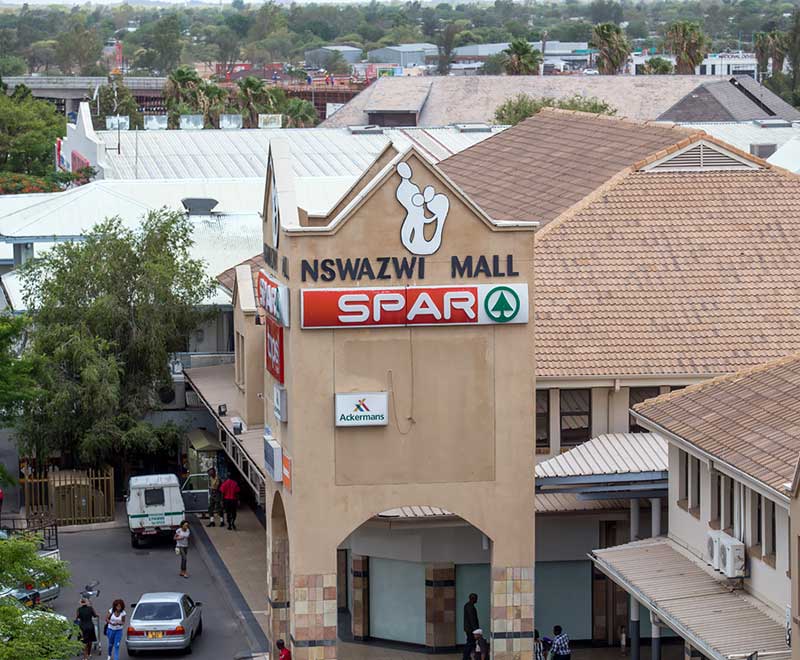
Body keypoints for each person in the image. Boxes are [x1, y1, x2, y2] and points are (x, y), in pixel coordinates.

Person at [462, 593, 479, 660]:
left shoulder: (467, 605)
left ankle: (467, 656)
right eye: (476, 598)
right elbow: (472, 620)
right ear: (473, 599)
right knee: (470, 643)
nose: (477, 600)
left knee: (470, 642)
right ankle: (465, 657)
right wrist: (476, 631)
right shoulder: (470, 607)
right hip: (471, 629)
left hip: (468, 628)